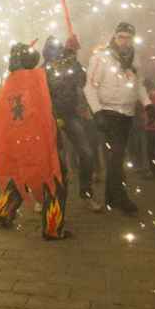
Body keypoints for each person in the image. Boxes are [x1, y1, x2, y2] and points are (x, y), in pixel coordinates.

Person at [0, 41, 71, 239]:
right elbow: (60, 95)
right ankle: (53, 227)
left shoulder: (9, 83)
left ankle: (5, 209)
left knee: (18, 173)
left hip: (14, 138)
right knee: (54, 176)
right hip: (39, 138)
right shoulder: (41, 78)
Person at [84, 22, 155, 215]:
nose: (124, 41)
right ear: (114, 37)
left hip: (128, 113)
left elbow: (138, 84)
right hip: (109, 113)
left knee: (116, 156)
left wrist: (147, 103)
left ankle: (111, 196)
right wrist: (97, 112)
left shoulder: (135, 58)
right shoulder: (101, 58)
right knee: (116, 157)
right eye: (121, 37)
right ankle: (120, 197)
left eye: (128, 38)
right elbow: (90, 87)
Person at [42, 35, 100, 208]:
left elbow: (83, 81)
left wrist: (74, 59)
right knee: (51, 159)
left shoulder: (70, 64)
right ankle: (45, 195)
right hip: (48, 117)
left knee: (87, 153)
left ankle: (86, 193)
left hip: (69, 115)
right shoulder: (42, 70)